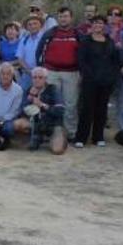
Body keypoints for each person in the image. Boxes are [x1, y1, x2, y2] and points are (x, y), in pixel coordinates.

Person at [36, 7, 80, 143]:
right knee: (49, 103)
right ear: (57, 18)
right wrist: (42, 69)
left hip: (71, 73)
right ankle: (49, 132)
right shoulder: (50, 33)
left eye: (66, 16)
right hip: (51, 72)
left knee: (70, 104)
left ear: (71, 18)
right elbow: (39, 52)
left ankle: (70, 133)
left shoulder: (77, 34)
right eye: (61, 16)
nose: (63, 19)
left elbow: (83, 54)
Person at [75, 15, 120, 148]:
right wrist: (88, 75)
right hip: (90, 80)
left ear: (104, 26)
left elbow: (115, 61)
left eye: (100, 23)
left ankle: (98, 137)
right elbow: (81, 60)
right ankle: (81, 138)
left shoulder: (109, 41)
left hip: (106, 81)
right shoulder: (85, 41)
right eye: (95, 23)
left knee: (101, 109)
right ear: (91, 25)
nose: (98, 25)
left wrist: (112, 76)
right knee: (86, 109)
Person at [13, 67, 66, 153]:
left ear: (45, 79)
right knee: (16, 124)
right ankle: (38, 137)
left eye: (40, 77)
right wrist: (29, 99)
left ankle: (58, 137)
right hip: (36, 124)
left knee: (57, 150)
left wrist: (42, 105)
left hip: (53, 124)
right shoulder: (29, 90)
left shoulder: (53, 89)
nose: (37, 80)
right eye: (35, 77)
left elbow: (60, 111)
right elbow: (20, 111)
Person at [15, 15, 44, 93]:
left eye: (35, 23)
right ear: (27, 27)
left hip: (43, 74)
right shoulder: (24, 40)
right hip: (27, 74)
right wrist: (29, 71)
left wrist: (39, 72)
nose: (32, 26)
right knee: (22, 95)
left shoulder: (45, 38)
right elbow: (20, 58)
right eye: (30, 24)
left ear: (40, 25)